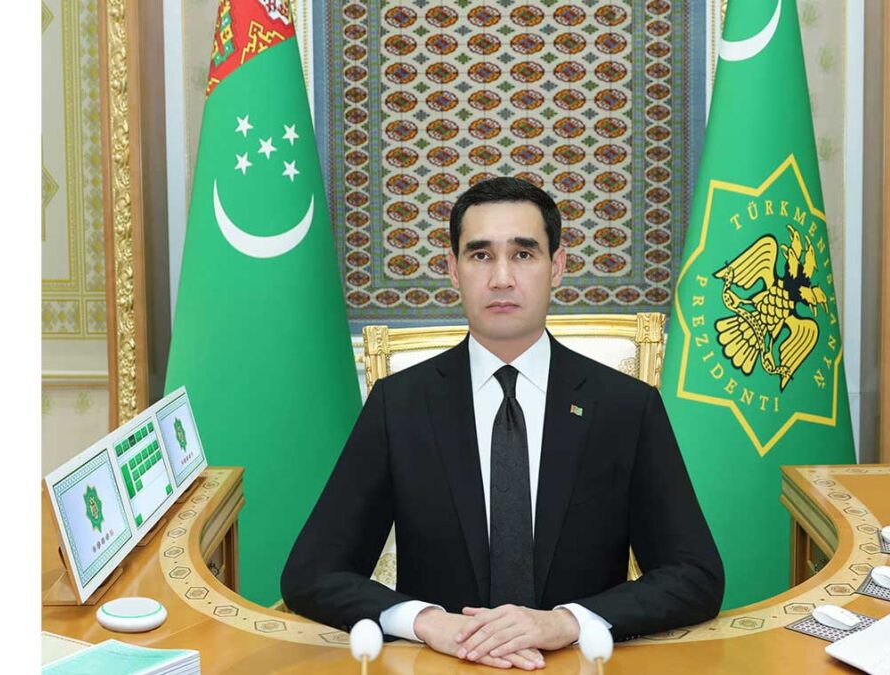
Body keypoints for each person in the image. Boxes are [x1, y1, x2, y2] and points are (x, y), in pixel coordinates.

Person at [282, 177, 724, 670]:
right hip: (443, 666)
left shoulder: (625, 406)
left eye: (523, 254)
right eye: (480, 255)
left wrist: (568, 621)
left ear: (557, 266)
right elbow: (311, 573)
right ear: (453, 270)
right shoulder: (399, 405)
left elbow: (696, 576)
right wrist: (426, 621)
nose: (501, 278)